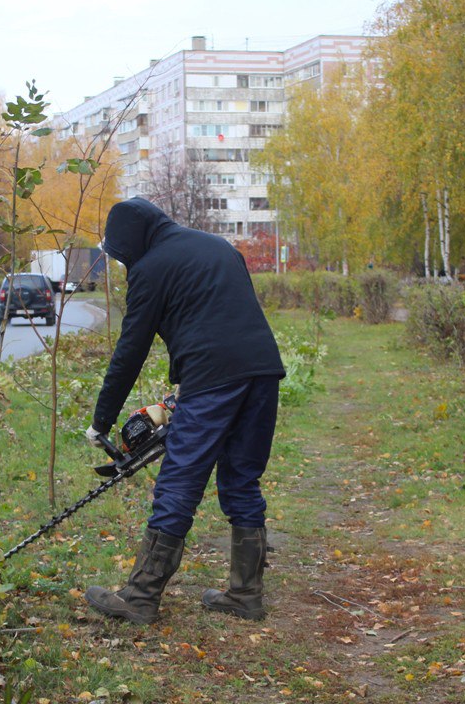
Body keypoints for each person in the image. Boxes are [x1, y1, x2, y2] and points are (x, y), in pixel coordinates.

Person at [83, 197, 284, 624]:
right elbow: (221, 316)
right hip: (263, 369)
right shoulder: (217, 246)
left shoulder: (151, 267)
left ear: (131, 243)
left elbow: (130, 350)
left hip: (213, 377)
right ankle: (246, 595)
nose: (124, 266)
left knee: (179, 480)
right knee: (242, 478)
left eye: (122, 257)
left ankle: (140, 596)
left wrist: (102, 420)